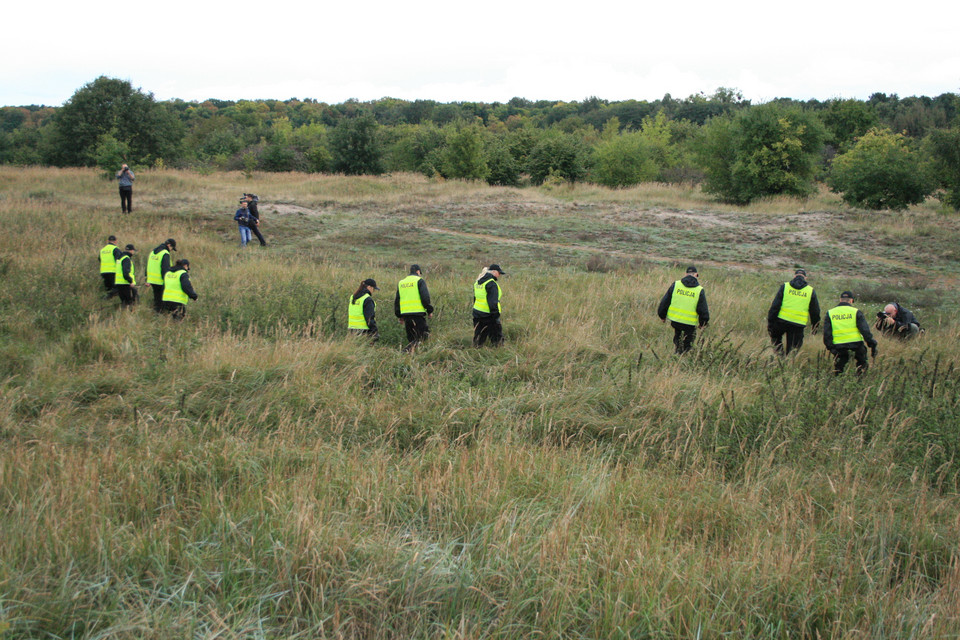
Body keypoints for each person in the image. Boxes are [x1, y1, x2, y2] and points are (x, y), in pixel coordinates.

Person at [767, 268, 821, 355]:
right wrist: (815, 327)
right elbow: (815, 311)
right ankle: (788, 363)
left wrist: (770, 322)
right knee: (793, 350)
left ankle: (779, 357)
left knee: (775, 338)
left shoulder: (785, 287)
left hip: (781, 321)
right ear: (805, 278)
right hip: (798, 325)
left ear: (794, 276)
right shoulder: (810, 291)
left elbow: (775, 306)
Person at [823, 291, 878, 376]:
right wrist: (871, 343)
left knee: (839, 370)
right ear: (851, 300)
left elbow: (827, 334)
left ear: (840, 300)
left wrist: (831, 348)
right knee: (862, 366)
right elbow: (865, 331)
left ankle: (839, 384)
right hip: (856, 345)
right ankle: (860, 383)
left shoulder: (830, 313)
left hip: (839, 346)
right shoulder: (856, 312)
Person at [657, 265, 710, 354]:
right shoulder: (699, 290)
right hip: (690, 324)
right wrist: (703, 323)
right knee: (687, 345)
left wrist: (662, 315)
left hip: (675, 321)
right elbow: (703, 309)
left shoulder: (676, 285)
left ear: (685, 274)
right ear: (696, 275)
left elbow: (665, 302)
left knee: (678, 340)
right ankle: (681, 358)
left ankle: (676, 356)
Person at [394, 264, 433, 352]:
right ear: (418, 272)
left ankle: (411, 356)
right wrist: (429, 310)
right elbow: (425, 297)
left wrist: (399, 315)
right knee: (423, 336)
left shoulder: (401, 282)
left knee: (411, 338)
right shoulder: (419, 280)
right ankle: (405, 352)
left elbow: (397, 300)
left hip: (406, 315)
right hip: (418, 314)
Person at [473, 264, 505, 347]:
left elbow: (476, 298)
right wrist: (495, 314)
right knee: (496, 337)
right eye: (499, 273)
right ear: (494, 272)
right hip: (489, 314)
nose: (499, 275)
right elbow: (492, 302)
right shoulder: (491, 284)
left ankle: (476, 350)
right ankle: (498, 352)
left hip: (477, 312)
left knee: (479, 335)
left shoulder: (478, 281)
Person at [145, 238, 177, 313]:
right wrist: (167, 280)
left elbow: (148, 266)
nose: (171, 250)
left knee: (157, 298)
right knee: (163, 299)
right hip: (160, 280)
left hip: (152, 280)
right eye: (172, 248)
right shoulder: (165, 253)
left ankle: (156, 313)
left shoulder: (153, 252)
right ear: (169, 245)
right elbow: (165, 269)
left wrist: (147, 279)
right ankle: (162, 314)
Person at [114, 244, 138, 308]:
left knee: (124, 303)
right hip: (126, 283)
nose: (133, 252)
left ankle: (123, 316)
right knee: (130, 302)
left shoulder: (120, 258)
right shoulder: (126, 259)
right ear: (131, 251)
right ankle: (128, 316)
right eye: (133, 251)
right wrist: (130, 281)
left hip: (119, 283)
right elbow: (125, 273)